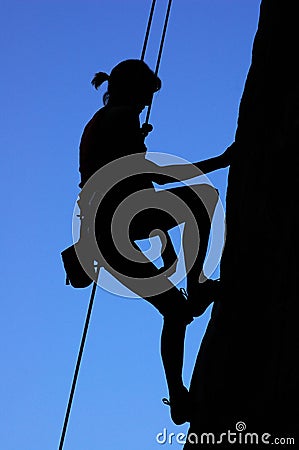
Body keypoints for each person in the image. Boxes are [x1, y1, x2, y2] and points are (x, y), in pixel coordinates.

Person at [77, 59, 235, 424]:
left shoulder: (104, 122)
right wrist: (222, 161)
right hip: (116, 222)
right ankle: (198, 287)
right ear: (134, 90)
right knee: (203, 199)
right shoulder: (120, 119)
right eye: (147, 94)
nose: (147, 102)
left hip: (104, 233)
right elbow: (153, 178)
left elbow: (139, 192)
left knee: (175, 313)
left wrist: (165, 244)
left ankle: (179, 398)